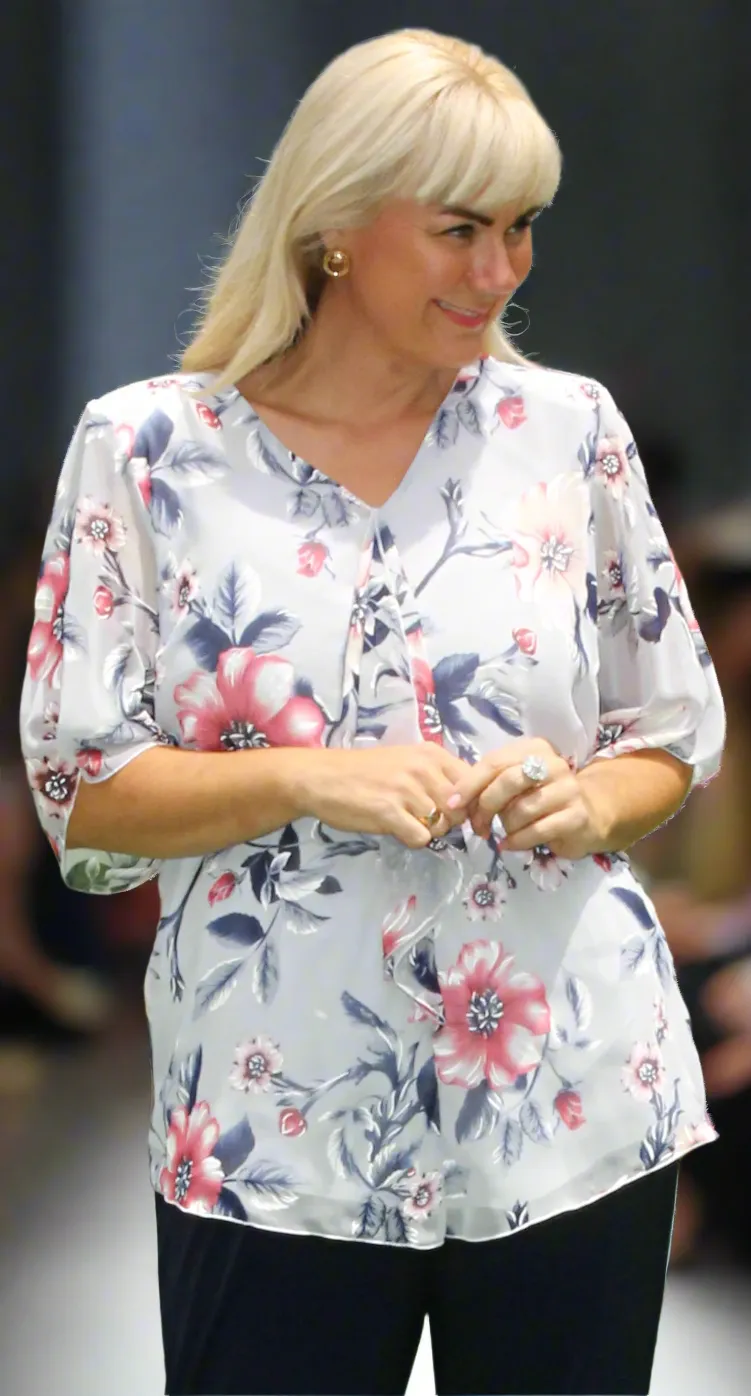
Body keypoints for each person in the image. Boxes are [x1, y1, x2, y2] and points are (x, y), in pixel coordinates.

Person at [19, 28, 726, 1396]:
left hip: (570, 1101)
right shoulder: (148, 453)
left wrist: (589, 801)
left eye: (520, 228)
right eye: (459, 228)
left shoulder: (567, 434)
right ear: (334, 227)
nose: (499, 271)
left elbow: (672, 737)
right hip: (269, 1125)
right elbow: (86, 812)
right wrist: (304, 778)